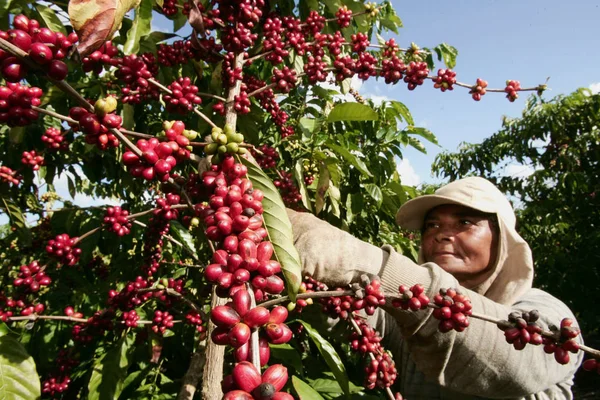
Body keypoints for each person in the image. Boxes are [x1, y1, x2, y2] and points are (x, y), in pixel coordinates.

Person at [286, 177, 583, 399]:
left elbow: (508, 358)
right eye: (432, 225)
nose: (442, 235)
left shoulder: (546, 316)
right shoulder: (406, 312)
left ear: (502, 239)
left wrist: (363, 261)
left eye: (464, 222)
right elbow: (351, 315)